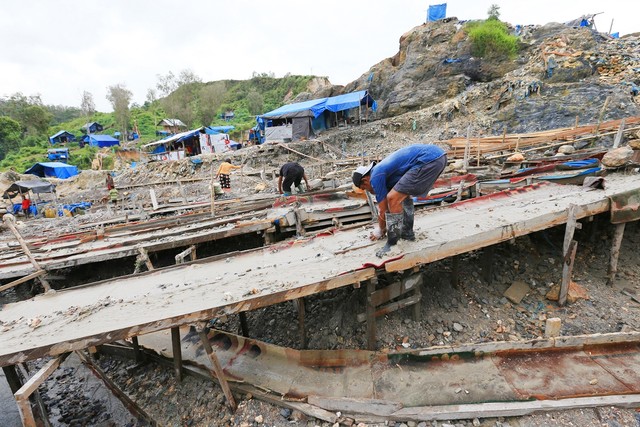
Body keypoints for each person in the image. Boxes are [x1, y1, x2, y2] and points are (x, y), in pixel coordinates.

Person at [352, 144, 447, 257]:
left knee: (393, 198)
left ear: (365, 180)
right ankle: (407, 234)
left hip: (428, 159)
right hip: (438, 157)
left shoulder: (375, 176)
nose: (368, 191)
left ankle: (392, 242)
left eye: (364, 188)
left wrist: (380, 230)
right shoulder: (383, 173)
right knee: (402, 196)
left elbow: (383, 209)